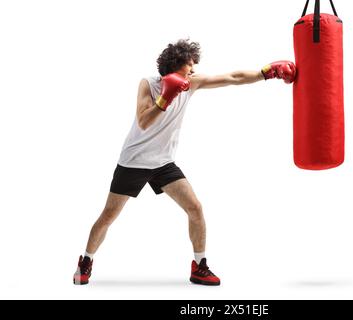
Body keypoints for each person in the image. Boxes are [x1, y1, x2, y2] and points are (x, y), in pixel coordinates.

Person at [73, 39, 296, 286]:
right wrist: (165, 98)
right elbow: (144, 121)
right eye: (190, 64)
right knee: (108, 216)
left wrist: (264, 73)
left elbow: (231, 77)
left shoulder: (192, 84)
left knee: (195, 208)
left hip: (163, 163)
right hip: (134, 162)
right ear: (176, 64)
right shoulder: (149, 84)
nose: (193, 69)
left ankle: (199, 267)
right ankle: (86, 261)